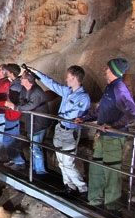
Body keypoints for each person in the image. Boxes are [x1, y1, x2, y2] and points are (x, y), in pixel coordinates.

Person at [76, 58, 135, 212]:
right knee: (96, 168)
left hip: (114, 138)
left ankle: (112, 206)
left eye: (107, 68)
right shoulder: (110, 87)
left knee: (112, 172)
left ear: (114, 71)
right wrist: (84, 118)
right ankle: (94, 200)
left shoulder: (119, 88)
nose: (105, 70)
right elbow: (100, 110)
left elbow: (133, 112)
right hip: (103, 136)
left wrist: (115, 126)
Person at [29, 65, 91, 193]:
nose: (66, 79)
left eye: (68, 77)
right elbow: (52, 84)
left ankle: (82, 188)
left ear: (74, 78)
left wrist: (59, 116)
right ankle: (69, 186)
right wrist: (36, 73)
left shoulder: (83, 97)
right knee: (61, 162)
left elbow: (74, 114)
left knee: (68, 162)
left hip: (70, 132)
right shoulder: (67, 91)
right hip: (60, 129)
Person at [9, 70, 51, 174]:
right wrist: (20, 106)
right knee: (33, 145)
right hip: (31, 121)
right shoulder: (24, 88)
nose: (20, 79)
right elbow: (22, 100)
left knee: (36, 146)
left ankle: (40, 171)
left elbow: (30, 106)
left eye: (22, 78)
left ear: (28, 81)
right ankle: (34, 168)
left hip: (39, 123)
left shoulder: (37, 92)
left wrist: (16, 107)